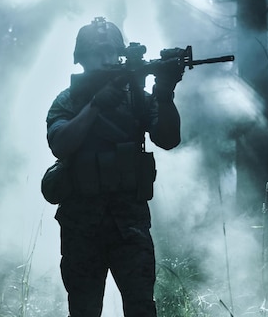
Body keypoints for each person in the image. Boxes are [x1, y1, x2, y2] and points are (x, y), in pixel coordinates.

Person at [45, 17, 184, 317]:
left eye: (112, 53)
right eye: (97, 53)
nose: (106, 59)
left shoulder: (135, 99)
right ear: (81, 59)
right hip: (81, 225)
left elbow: (169, 138)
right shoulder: (67, 101)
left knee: (141, 308)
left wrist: (164, 93)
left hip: (129, 225)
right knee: (83, 310)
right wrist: (96, 105)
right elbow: (60, 144)